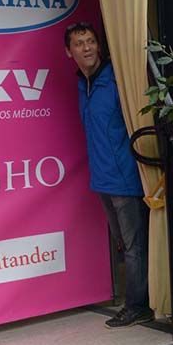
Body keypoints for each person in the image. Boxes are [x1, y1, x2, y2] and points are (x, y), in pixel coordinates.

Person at [65, 22, 152, 329]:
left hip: (125, 177)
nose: (87, 48)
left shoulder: (115, 77)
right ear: (69, 52)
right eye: (79, 43)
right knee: (124, 243)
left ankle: (137, 305)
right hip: (101, 178)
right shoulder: (82, 83)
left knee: (133, 245)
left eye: (90, 41)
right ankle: (139, 299)